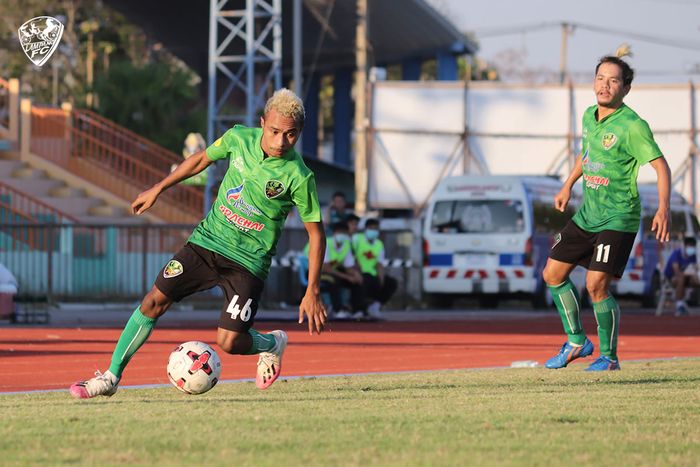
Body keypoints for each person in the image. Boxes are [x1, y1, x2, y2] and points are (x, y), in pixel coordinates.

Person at [70, 88, 327, 399]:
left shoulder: (300, 176)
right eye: (274, 132)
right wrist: (159, 188)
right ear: (262, 123)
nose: (280, 142)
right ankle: (111, 377)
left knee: (229, 342)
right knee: (153, 301)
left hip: (248, 262)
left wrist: (312, 289)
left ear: (298, 133)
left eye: (290, 135)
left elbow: (316, 234)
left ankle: (273, 343)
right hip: (207, 243)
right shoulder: (238, 138)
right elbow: (201, 160)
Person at [542, 55, 671, 371]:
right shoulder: (589, 116)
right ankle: (576, 341)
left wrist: (664, 209)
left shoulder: (632, 126)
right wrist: (568, 184)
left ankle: (610, 358)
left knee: (595, 285)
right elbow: (586, 155)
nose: (605, 85)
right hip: (588, 214)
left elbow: (661, 166)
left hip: (619, 217)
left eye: (613, 80)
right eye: (600, 78)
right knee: (552, 274)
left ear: (625, 88)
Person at [352, 218, 397, 320]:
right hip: (359, 272)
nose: (373, 231)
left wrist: (381, 279)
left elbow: (379, 264)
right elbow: (352, 255)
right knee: (365, 281)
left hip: (372, 273)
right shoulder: (357, 239)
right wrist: (356, 271)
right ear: (365, 229)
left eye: (376, 229)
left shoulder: (379, 244)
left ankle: (375, 305)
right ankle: (360, 310)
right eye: (371, 228)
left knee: (391, 283)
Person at [321, 221, 364, 320]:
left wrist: (355, 274)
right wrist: (347, 277)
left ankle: (357, 310)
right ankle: (338, 310)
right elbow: (326, 268)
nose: (342, 235)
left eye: (345, 232)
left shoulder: (346, 245)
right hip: (319, 273)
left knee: (357, 281)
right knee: (334, 280)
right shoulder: (327, 243)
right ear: (334, 233)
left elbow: (348, 267)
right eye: (340, 232)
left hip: (336, 272)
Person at [663, 237, 698, 316]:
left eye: (693, 246)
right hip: (670, 278)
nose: (691, 248)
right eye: (690, 246)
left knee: (695, 280)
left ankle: (688, 300)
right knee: (681, 278)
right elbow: (676, 271)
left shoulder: (693, 256)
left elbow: (693, 269)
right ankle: (679, 305)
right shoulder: (677, 253)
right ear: (685, 246)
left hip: (686, 278)